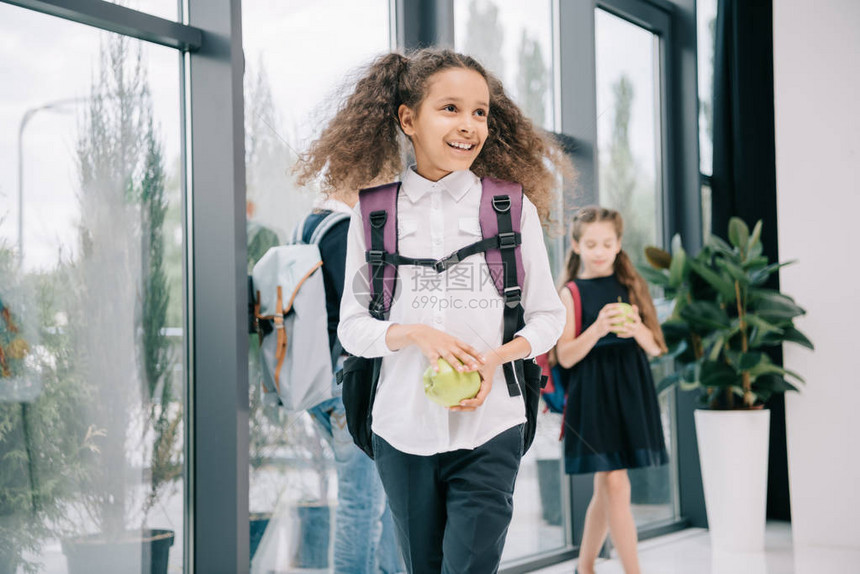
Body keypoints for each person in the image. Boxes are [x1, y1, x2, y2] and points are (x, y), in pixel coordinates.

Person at [294, 48, 572, 572]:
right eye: (450, 109)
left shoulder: (510, 208)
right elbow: (352, 328)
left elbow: (548, 316)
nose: (469, 125)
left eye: (480, 112)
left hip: (493, 424)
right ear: (408, 119)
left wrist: (497, 359)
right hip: (401, 427)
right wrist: (413, 333)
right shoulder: (372, 212)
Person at [553, 206, 669, 574]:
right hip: (593, 395)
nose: (599, 250)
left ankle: (584, 567)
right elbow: (565, 357)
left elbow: (655, 348)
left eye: (607, 243)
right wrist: (599, 329)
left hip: (631, 391)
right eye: (591, 243)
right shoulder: (570, 293)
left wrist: (636, 328)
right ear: (575, 245)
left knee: (610, 486)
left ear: (619, 244)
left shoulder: (632, 286)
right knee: (615, 483)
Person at [299, 193, 405, 574]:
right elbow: (366, 307)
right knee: (364, 502)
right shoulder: (343, 230)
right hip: (348, 384)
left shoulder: (309, 224)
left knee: (382, 496)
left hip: (320, 378)